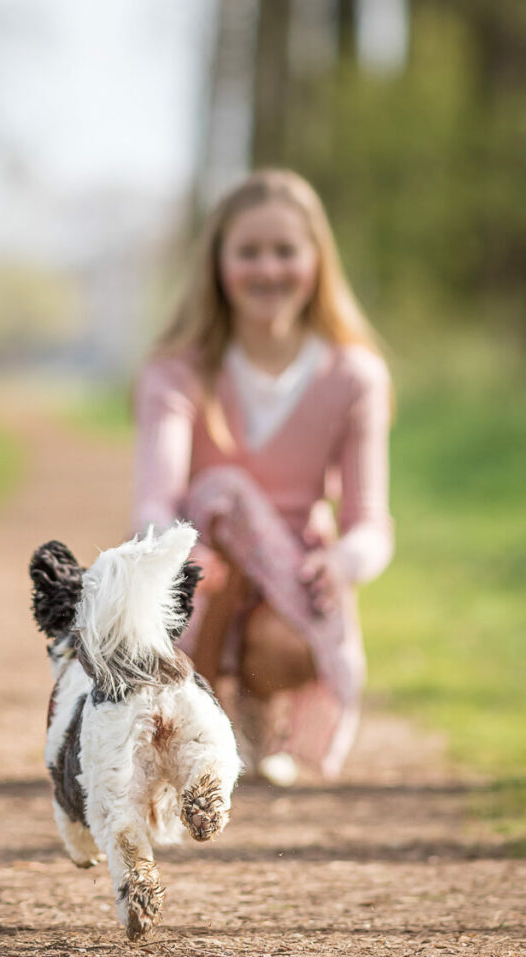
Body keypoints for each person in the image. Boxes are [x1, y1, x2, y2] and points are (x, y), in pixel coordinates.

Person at [132, 169, 393, 784]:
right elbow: (153, 496)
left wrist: (345, 564)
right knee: (215, 505)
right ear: (220, 263)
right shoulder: (177, 373)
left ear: (316, 261)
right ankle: (197, 720)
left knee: (292, 644)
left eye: (285, 251)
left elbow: (370, 524)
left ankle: (259, 706)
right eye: (249, 252)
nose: (268, 269)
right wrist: (177, 551)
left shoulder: (354, 377)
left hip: (289, 577)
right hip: (207, 573)